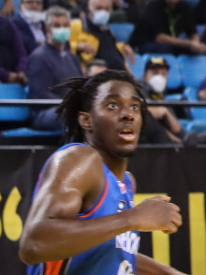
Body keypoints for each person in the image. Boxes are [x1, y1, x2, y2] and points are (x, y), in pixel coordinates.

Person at [18, 70, 185, 275]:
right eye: (112, 105)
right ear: (86, 120)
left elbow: (106, 251)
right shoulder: (80, 158)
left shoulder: (126, 182)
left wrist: (168, 273)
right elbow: (34, 244)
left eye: (134, 106)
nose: (128, 114)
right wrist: (132, 218)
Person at [26, 7, 85, 131]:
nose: (62, 29)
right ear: (47, 28)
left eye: (65, 25)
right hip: (45, 113)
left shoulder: (72, 58)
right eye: (57, 25)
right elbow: (40, 94)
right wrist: (69, 103)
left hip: (70, 108)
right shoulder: (39, 57)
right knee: (75, 115)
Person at [130, 0, 206, 56]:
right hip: (144, 44)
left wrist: (197, 44)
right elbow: (160, 38)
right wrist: (189, 43)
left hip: (169, 45)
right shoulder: (155, 6)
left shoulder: (184, 6)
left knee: (198, 50)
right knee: (170, 49)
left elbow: (192, 32)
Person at [70, 0, 135, 71]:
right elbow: (62, 48)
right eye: (99, 8)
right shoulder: (77, 25)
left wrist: (122, 47)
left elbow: (109, 48)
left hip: (119, 73)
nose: (103, 12)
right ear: (89, 10)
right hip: (95, 74)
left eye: (106, 9)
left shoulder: (107, 29)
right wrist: (78, 46)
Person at [138, 56, 186, 145]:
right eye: (155, 73)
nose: (159, 77)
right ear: (144, 76)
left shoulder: (162, 96)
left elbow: (180, 133)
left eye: (163, 74)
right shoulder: (137, 89)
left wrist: (165, 112)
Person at [0, 12, 27, 84]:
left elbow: (21, 53)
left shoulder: (7, 23)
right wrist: (5, 75)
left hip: (15, 77)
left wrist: (21, 71)